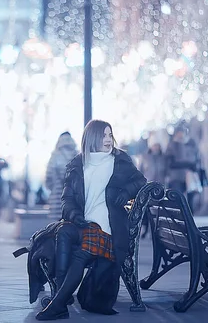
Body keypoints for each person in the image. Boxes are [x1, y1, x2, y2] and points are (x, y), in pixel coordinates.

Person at [36, 120, 147, 321]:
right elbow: (67, 199)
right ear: (93, 137)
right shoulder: (78, 163)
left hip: (108, 226)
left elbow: (142, 181)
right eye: (104, 135)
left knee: (80, 254)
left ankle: (58, 304)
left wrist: (126, 192)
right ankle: (61, 296)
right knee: (62, 233)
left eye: (110, 134)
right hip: (84, 224)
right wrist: (74, 215)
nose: (108, 139)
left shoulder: (120, 160)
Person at [165, 125, 200, 209]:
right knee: (177, 196)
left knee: (191, 196)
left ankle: (190, 216)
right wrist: (186, 164)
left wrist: (195, 166)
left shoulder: (191, 143)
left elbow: (197, 157)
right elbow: (170, 162)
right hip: (176, 176)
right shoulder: (172, 145)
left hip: (190, 175)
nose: (180, 134)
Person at [45, 132, 78, 220]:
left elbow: (48, 178)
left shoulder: (55, 155)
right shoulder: (77, 154)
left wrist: (54, 188)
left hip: (57, 197)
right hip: (73, 197)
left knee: (56, 226)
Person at [139, 137, 166, 238]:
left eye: (158, 145)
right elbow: (140, 171)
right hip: (147, 186)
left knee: (157, 210)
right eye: (154, 145)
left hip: (160, 187)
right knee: (147, 209)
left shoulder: (164, 158)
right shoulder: (145, 157)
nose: (156, 147)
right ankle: (146, 229)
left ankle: (155, 231)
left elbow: (166, 172)